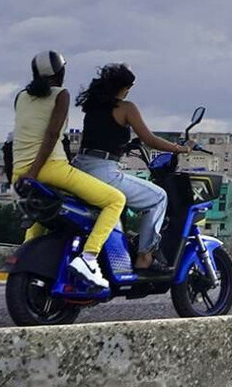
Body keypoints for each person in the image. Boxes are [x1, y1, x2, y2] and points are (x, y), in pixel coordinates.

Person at [13, 51, 125, 289]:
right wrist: (35, 171)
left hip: (18, 172)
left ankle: (26, 252)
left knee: (45, 209)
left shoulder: (20, 97)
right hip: (50, 168)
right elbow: (52, 134)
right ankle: (89, 258)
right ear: (60, 72)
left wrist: (28, 173)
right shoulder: (61, 95)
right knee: (115, 200)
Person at [73, 63, 193, 272]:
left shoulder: (93, 106)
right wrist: (180, 148)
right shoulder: (126, 108)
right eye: (129, 87)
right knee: (158, 197)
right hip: (103, 171)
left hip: (79, 167)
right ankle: (145, 256)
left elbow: (102, 135)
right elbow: (150, 140)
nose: (129, 91)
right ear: (123, 87)